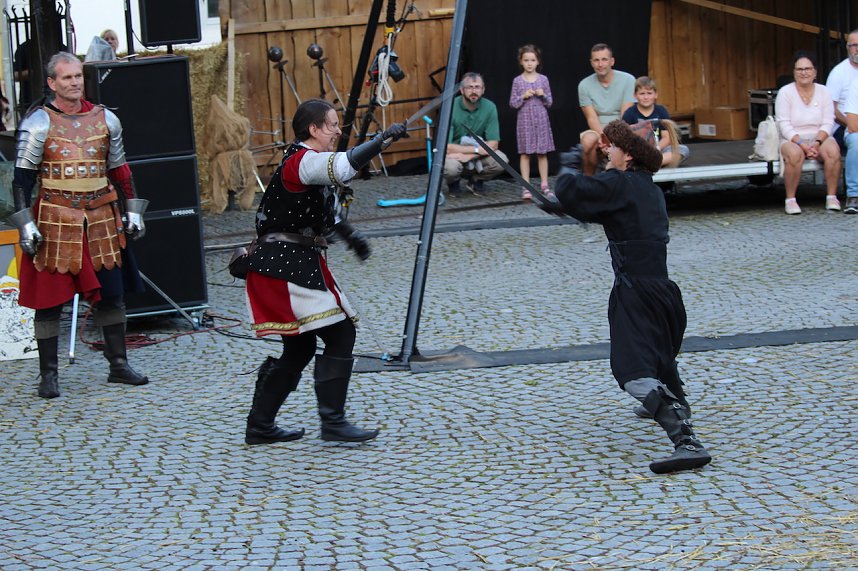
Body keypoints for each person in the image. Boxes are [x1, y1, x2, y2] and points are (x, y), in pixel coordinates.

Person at [547, 119, 712, 474]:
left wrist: (572, 161)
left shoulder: (618, 182)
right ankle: (675, 401)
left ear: (628, 156)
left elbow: (575, 189)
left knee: (632, 370)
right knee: (659, 357)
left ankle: (686, 441)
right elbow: (598, 206)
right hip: (663, 293)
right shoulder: (645, 187)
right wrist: (561, 204)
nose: (607, 150)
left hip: (636, 293)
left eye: (613, 147)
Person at [242, 98, 406, 445]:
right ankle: (332, 423)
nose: (336, 131)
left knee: (299, 349)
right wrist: (382, 140)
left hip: (290, 263)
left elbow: (326, 214)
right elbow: (344, 167)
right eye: (331, 125)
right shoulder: (301, 161)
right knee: (341, 333)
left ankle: (260, 425)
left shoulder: (307, 165)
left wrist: (351, 237)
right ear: (313, 129)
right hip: (283, 265)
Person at [10, 52, 150, 399]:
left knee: (112, 295)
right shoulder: (38, 123)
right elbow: (21, 181)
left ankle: (118, 365)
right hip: (55, 218)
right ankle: (49, 375)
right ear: (52, 83)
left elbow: (120, 171)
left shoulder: (106, 120)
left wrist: (133, 211)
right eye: (67, 77)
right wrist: (25, 224)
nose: (74, 82)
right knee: (49, 301)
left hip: (102, 216)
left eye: (78, 76)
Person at [775, 52, 841, 215]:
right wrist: (803, 145)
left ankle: (831, 196)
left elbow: (828, 121)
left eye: (807, 69)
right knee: (794, 154)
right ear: (794, 72)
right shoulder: (785, 92)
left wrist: (817, 143)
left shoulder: (824, 91)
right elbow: (784, 124)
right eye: (799, 69)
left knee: (833, 152)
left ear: (815, 72)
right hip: (792, 138)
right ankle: (790, 199)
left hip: (819, 136)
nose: (803, 72)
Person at [444, 72, 508, 195]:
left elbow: (493, 144)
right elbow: (447, 147)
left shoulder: (490, 107)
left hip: (477, 154)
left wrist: (471, 155)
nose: (474, 91)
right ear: (462, 90)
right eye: (469, 87)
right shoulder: (449, 108)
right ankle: (453, 182)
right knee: (450, 168)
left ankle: (476, 180)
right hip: (454, 155)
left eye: (477, 87)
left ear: (483, 90)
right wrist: (478, 150)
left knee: (501, 159)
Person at [577, 43, 636, 175]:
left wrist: (614, 140)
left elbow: (626, 115)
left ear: (612, 61)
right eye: (596, 60)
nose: (600, 64)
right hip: (598, 129)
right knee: (587, 142)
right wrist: (604, 140)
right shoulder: (584, 85)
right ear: (591, 63)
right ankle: (589, 181)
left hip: (622, 127)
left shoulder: (628, 80)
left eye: (604, 59)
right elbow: (591, 118)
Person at [509, 44, 555, 201]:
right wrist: (523, 96)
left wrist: (543, 95)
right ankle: (526, 185)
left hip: (541, 119)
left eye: (532, 60)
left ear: (538, 62)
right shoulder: (517, 81)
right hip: (525, 121)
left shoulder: (543, 80)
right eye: (526, 60)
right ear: (521, 62)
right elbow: (513, 103)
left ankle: (544, 184)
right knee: (525, 153)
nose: (529, 63)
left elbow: (550, 102)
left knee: (542, 153)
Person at [621, 76, 688, 167]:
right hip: (638, 151)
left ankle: (649, 164)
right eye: (642, 93)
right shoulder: (629, 113)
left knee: (682, 149)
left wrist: (656, 149)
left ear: (656, 94)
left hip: (658, 149)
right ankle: (650, 163)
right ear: (635, 96)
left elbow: (667, 137)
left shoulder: (661, 111)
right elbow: (625, 138)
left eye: (649, 93)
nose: (646, 97)